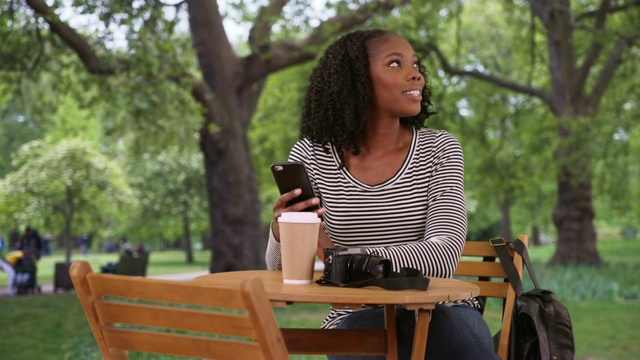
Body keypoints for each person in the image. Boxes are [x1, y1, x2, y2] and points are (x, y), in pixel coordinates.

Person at [265, 29, 499, 359]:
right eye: (394, 63)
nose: (416, 72)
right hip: (354, 317)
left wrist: (343, 264)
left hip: (438, 309)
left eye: (415, 63)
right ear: (355, 81)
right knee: (364, 342)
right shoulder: (311, 156)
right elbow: (282, 273)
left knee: (454, 335)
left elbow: (443, 254)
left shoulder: (439, 149)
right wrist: (281, 230)